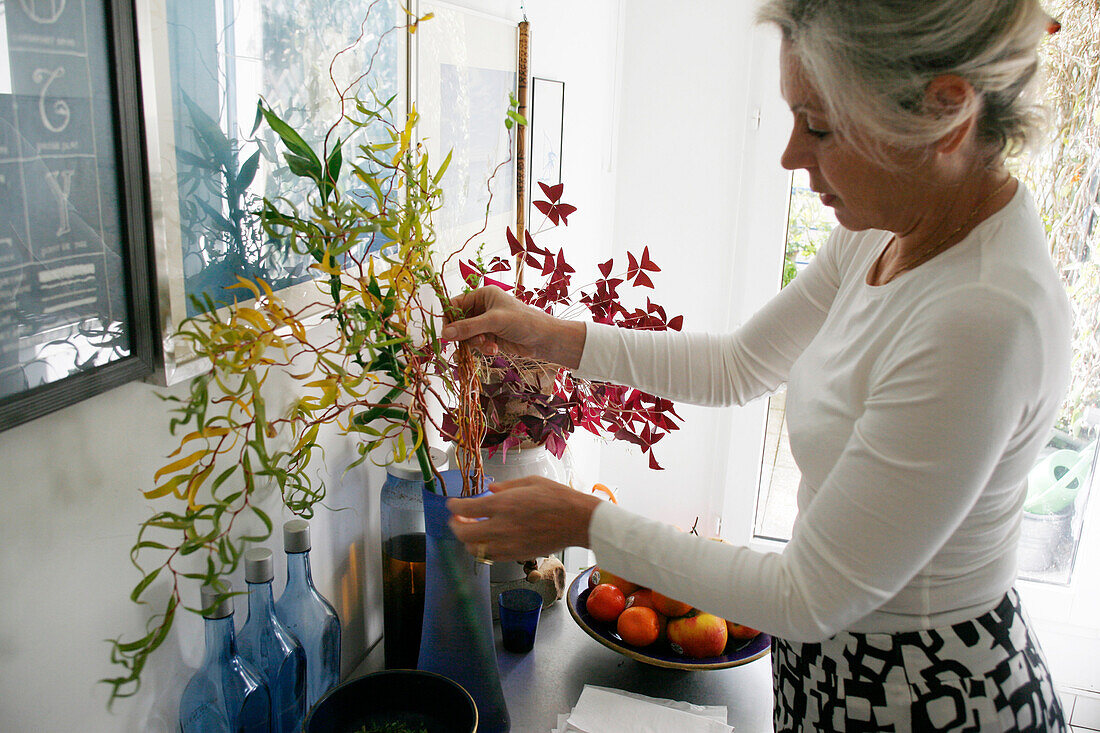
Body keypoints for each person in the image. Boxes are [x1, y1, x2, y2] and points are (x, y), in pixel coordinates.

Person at [442, 1, 1072, 730]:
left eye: (820, 125)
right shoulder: (887, 230)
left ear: (947, 114)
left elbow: (807, 593)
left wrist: (586, 520)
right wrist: (548, 336)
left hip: (929, 692)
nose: (791, 156)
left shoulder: (986, 314)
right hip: (830, 665)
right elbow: (737, 366)